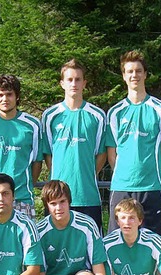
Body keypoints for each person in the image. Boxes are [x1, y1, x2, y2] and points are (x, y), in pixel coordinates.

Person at [105, 51, 161, 240]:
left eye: (138, 71)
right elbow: (112, 154)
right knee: (116, 241)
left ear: (145, 74)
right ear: (124, 76)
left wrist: (154, 173)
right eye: (130, 71)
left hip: (151, 187)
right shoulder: (115, 112)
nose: (134, 75)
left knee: (154, 243)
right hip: (122, 186)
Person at [41, 59, 107, 230]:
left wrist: (87, 174)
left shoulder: (97, 116)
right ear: (62, 83)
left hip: (88, 196)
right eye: (69, 79)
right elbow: (48, 154)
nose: (74, 84)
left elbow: (101, 154)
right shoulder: (50, 116)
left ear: (84, 83)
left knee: (91, 250)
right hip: (57, 198)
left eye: (78, 79)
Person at [0, 75, 43, 219]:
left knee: (24, 242)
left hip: (22, 199)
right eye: (0, 95)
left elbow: (37, 162)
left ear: (17, 97)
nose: (4, 99)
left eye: (9, 94)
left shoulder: (32, 124)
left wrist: (23, 185)